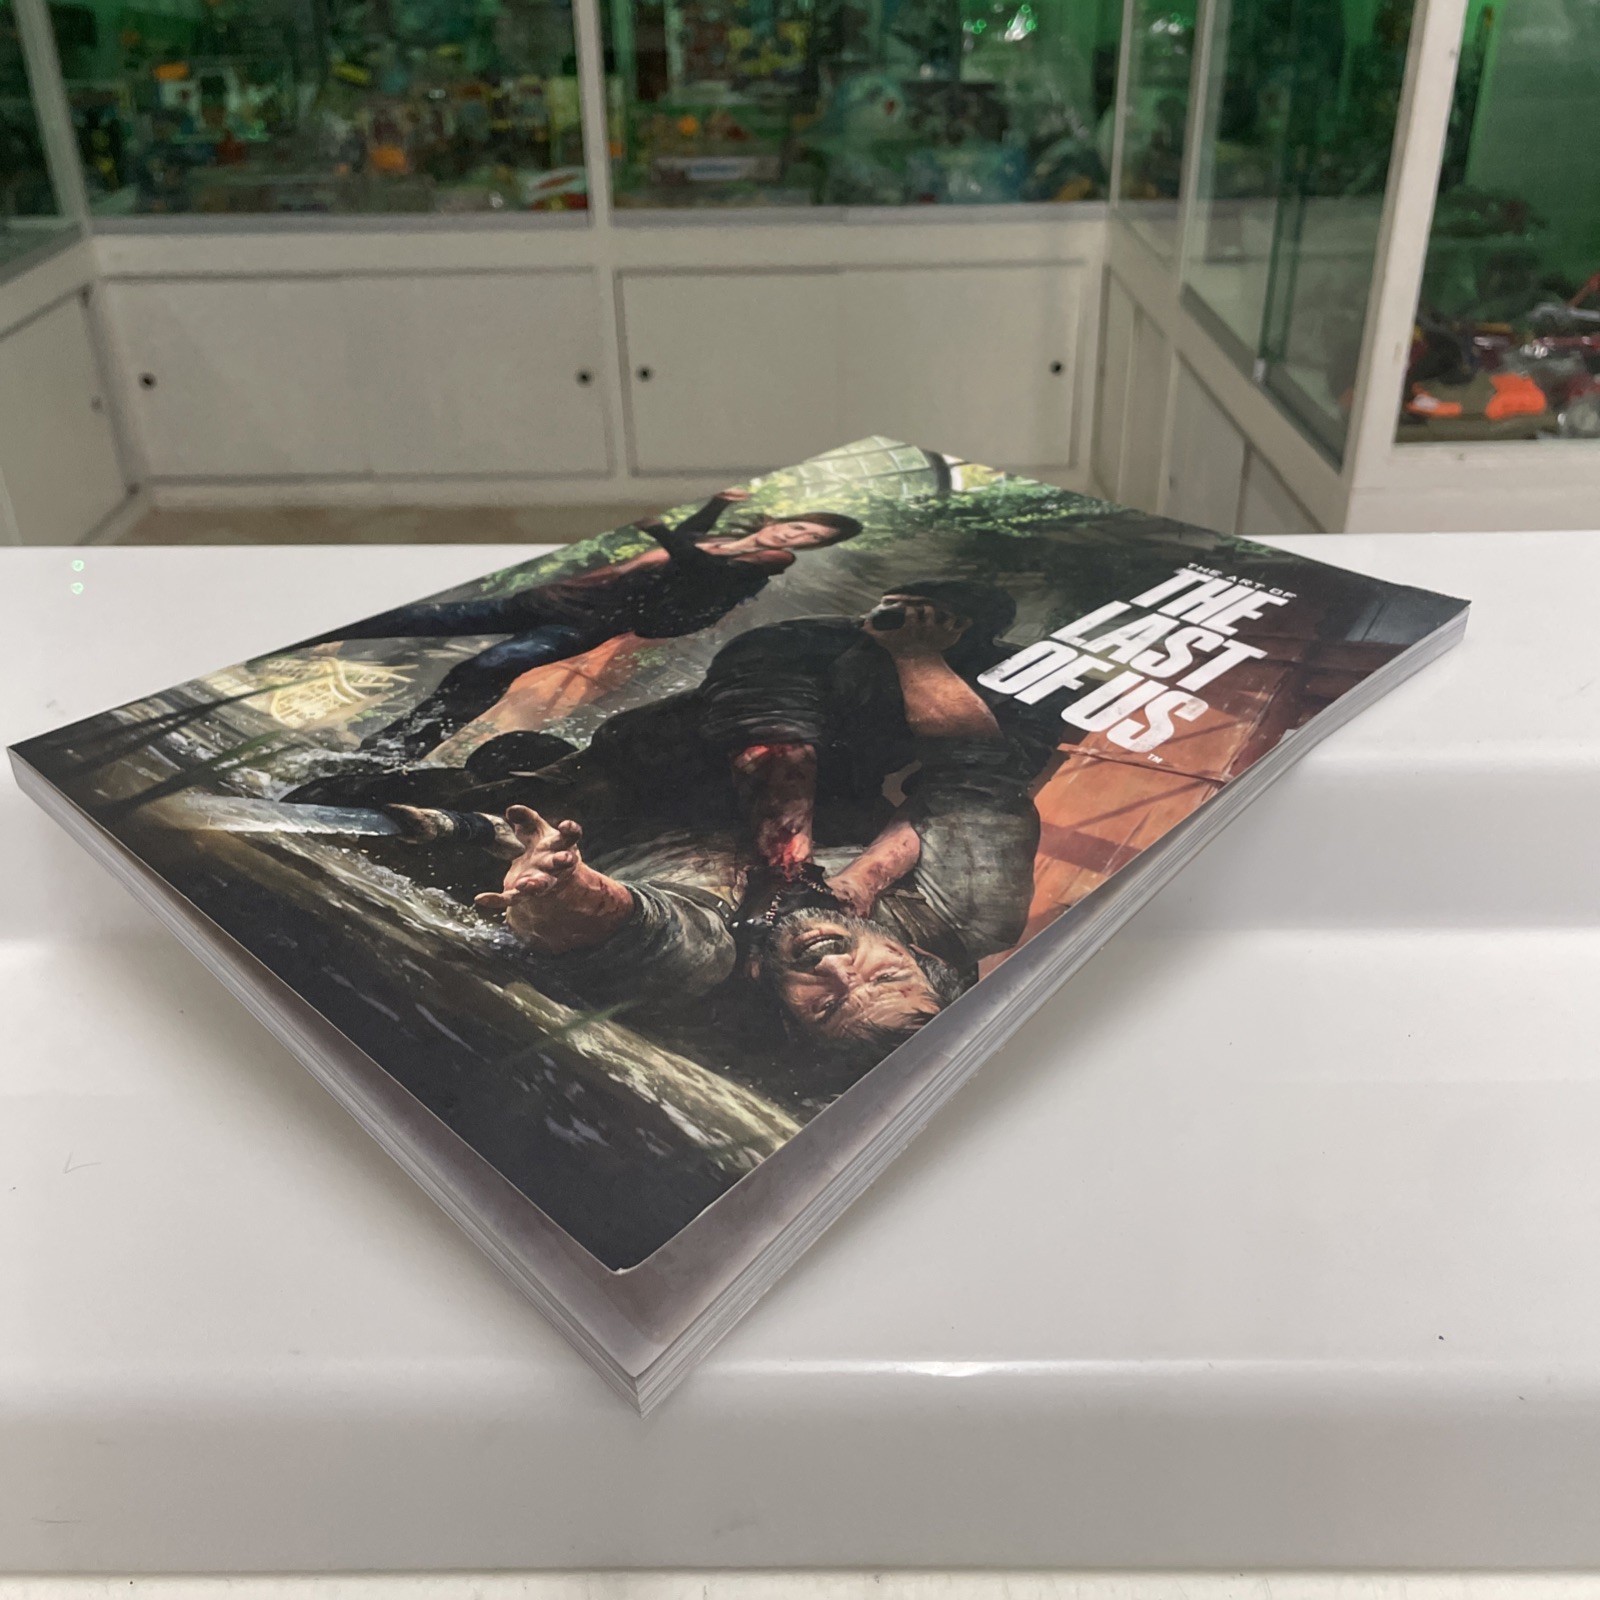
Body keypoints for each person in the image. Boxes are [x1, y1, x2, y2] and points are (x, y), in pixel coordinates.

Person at [469, 587, 1055, 1101]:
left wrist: (563, 890)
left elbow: (658, 938)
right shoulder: (968, 912)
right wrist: (916, 656)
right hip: (736, 757)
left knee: (490, 802)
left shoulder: (720, 981)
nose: (833, 966)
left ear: (791, 1022)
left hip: (620, 802)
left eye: (827, 1006)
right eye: (883, 978)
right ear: (928, 961)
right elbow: (976, 775)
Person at [305, 490, 862, 763]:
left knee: (492, 665)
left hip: (587, 622)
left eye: (811, 539)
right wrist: (714, 503)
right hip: (552, 598)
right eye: (800, 527)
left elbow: (697, 566)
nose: (795, 538)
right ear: (785, 519)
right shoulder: (724, 539)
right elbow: (692, 540)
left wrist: (660, 531)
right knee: (414, 619)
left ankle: (396, 748)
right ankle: (309, 629)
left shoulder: (763, 563)